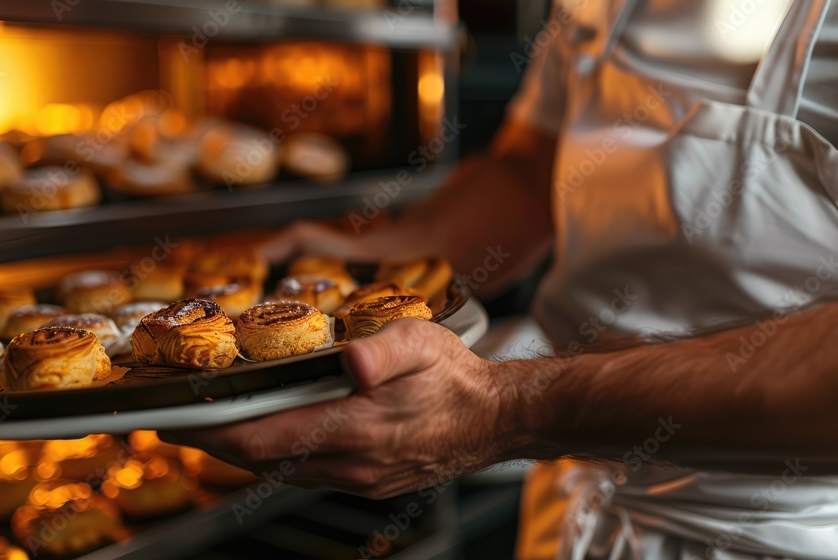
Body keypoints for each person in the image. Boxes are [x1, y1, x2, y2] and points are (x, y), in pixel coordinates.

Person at [163, 1, 838, 557]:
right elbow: (529, 171)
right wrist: (368, 259)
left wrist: (508, 411)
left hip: (774, 536)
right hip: (575, 514)